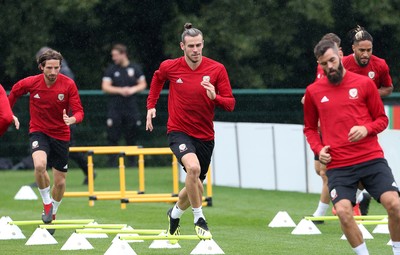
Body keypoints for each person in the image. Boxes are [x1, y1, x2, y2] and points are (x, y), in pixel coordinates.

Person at [304, 39, 400, 255]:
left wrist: (366, 129)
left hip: (371, 158)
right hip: (340, 165)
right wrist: (319, 149)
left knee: (395, 205)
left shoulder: (364, 84)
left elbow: (381, 119)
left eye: (332, 60)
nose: (329, 66)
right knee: (344, 212)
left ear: (340, 56)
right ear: (319, 65)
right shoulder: (313, 92)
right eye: (323, 63)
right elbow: (310, 129)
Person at [146, 23, 235, 241]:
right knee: (192, 168)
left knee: (194, 182)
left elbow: (230, 103)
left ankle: (174, 214)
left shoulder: (217, 69)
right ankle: (199, 218)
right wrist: (151, 105)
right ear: (182, 47)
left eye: (199, 45)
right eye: (191, 46)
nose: (195, 50)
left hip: (205, 136)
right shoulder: (170, 67)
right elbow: (157, 79)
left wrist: (216, 98)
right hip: (178, 131)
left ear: (203, 45)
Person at [8, 49, 84, 233]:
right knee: (40, 166)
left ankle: (53, 213)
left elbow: (79, 111)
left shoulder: (68, 85)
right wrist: (9, 114)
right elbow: (12, 93)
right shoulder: (31, 82)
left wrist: (72, 120)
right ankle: (47, 204)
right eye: (49, 67)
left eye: (56, 68)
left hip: (61, 135)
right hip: (39, 131)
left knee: (60, 182)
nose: (53, 72)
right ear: (41, 67)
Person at [34, 47, 91, 185]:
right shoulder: (53, 71)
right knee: (45, 146)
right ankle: (41, 176)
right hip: (53, 120)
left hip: (64, 118)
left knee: (69, 148)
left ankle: (88, 170)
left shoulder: (63, 73)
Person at [102, 44, 147, 166]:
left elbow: (143, 84)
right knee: (113, 136)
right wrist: (121, 90)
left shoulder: (135, 68)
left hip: (131, 108)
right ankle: (112, 163)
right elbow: (105, 86)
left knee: (131, 135)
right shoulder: (111, 70)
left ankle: (132, 163)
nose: (114, 58)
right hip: (115, 109)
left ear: (123, 54)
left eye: (116, 55)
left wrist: (132, 90)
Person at [343, 26, 393, 97]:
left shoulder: (380, 64)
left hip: (371, 107)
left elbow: (388, 88)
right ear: (353, 48)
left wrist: (370, 93)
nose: (365, 54)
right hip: (349, 107)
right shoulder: (342, 64)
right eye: (362, 50)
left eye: (369, 50)